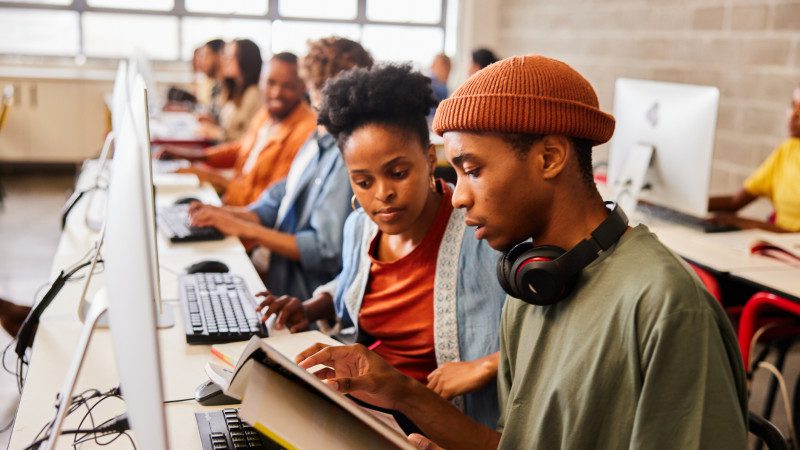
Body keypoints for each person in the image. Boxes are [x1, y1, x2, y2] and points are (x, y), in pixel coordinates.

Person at [294, 55, 748, 449]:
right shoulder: (531, 286)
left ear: (550, 158)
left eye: (472, 170)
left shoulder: (666, 306)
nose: (457, 196)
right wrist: (399, 392)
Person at [254, 64, 506, 428]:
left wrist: (487, 363)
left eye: (398, 173)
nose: (382, 194)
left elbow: (549, 330)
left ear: (430, 160)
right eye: (363, 181)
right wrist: (309, 308)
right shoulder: (360, 227)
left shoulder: (481, 234)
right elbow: (351, 283)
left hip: (436, 423)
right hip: (365, 409)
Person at [188, 37, 374, 300]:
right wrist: (226, 214)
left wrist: (246, 229)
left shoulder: (348, 156)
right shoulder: (318, 137)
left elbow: (324, 250)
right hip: (277, 276)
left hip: (300, 297)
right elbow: (279, 198)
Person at [158, 52, 316, 207]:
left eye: (288, 86)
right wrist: (192, 156)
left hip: (247, 215)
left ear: (303, 88)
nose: (276, 93)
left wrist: (215, 179)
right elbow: (241, 148)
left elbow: (267, 203)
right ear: (261, 81)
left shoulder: (305, 132)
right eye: (271, 83)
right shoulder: (267, 113)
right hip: (234, 199)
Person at [708, 84, 800, 232]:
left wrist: (757, 226)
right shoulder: (787, 150)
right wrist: (686, 203)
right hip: (772, 248)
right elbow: (734, 202)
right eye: (792, 105)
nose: (793, 115)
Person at [199, 39, 263, 142]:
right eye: (226, 56)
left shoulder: (253, 94)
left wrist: (217, 133)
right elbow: (231, 128)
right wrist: (214, 124)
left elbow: (248, 139)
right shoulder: (235, 90)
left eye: (231, 57)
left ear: (245, 60)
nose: (225, 61)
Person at [195, 39, 225, 116]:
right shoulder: (216, 85)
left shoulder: (228, 88)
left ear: (218, 56)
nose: (202, 62)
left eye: (205, 56)